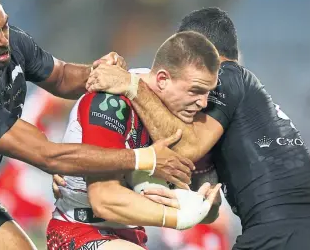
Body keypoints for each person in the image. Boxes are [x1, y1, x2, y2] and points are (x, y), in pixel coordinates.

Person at [0, 0, 195, 250]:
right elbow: (49, 156)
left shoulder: (10, 45)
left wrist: (105, 74)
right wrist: (146, 158)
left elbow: (62, 76)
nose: (4, 39)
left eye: (4, 25)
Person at [87, 7, 310, 250]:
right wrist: (79, 169)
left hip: (279, 232)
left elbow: (185, 148)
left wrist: (130, 84)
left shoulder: (227, 76)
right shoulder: (243, 99)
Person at [47, 31, 223, 250]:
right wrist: (179, 218)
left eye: (208, 93)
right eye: (196, 90)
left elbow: (202, 207)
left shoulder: (182, 116)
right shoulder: (111, 100)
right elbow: (104, 198)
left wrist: (205, 206)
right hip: (80, 230)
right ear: (162, 79)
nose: (203, 103)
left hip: (131, 236)